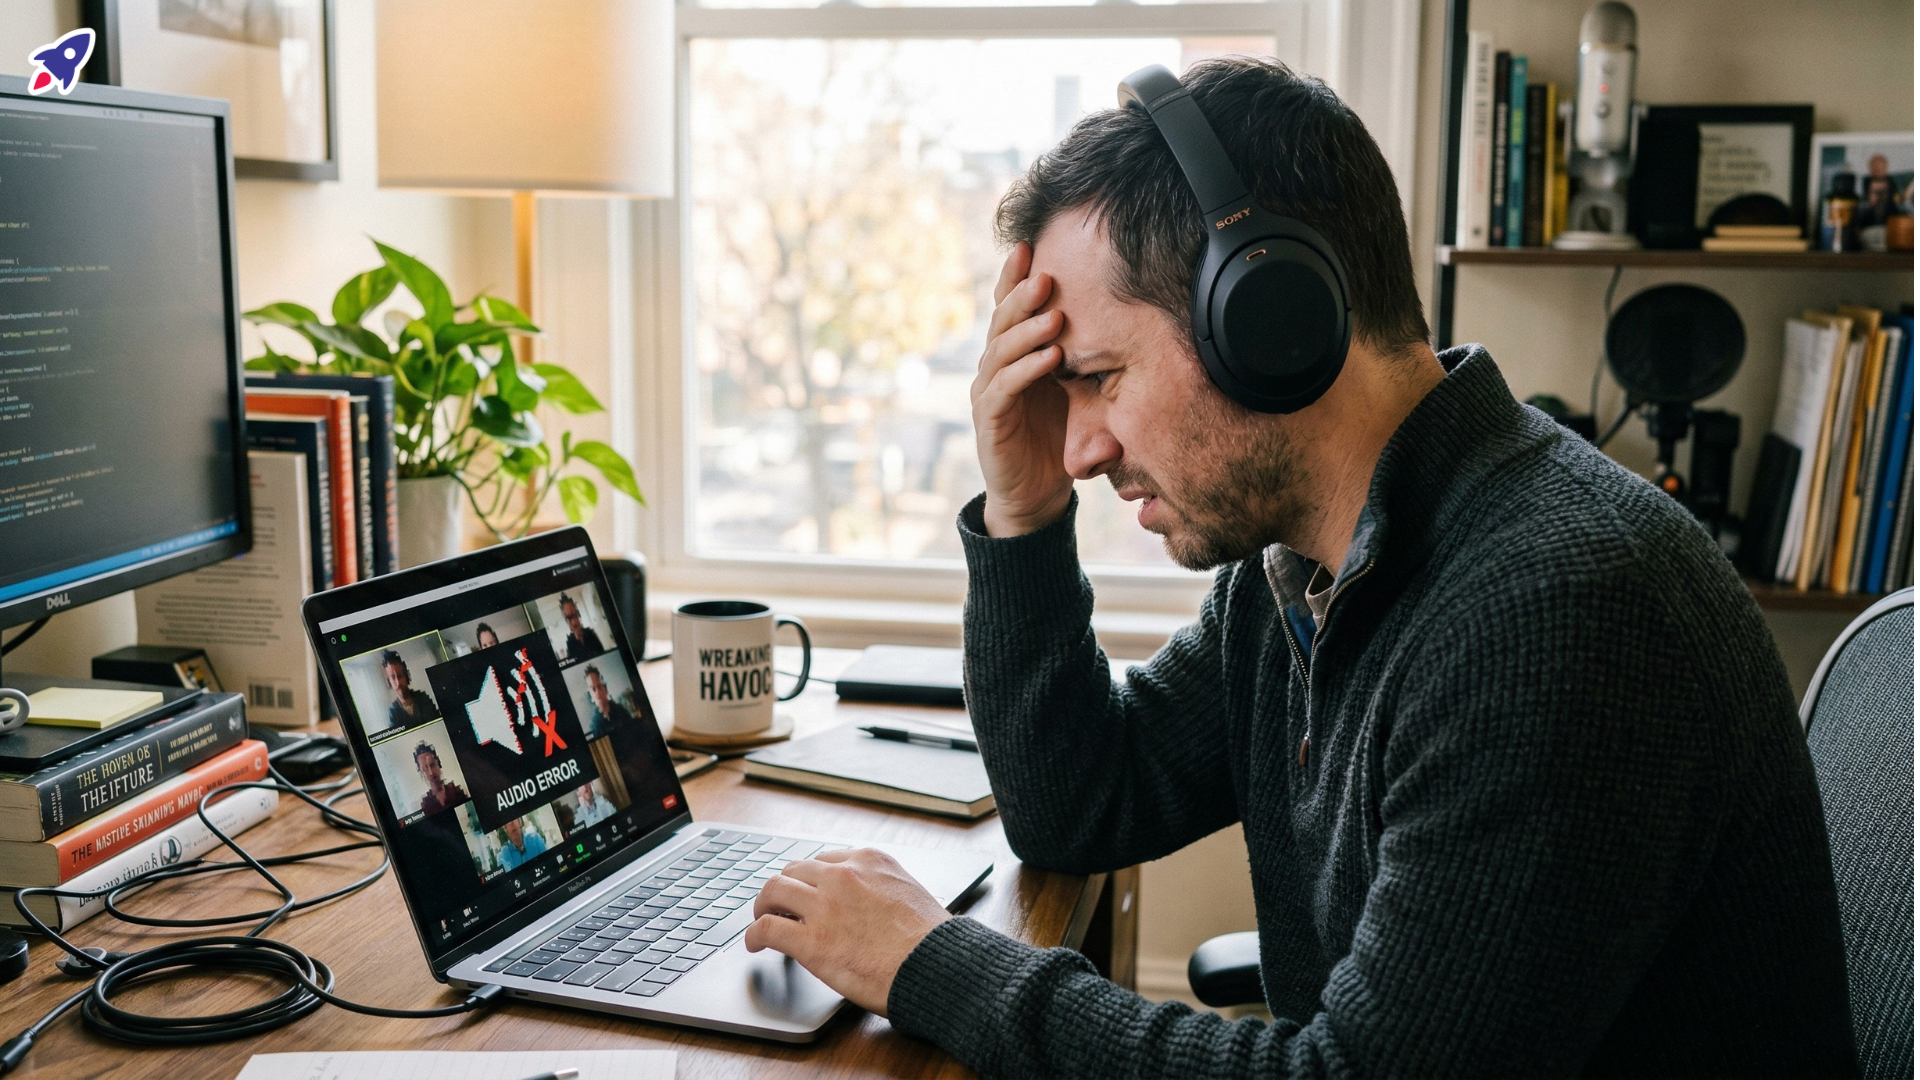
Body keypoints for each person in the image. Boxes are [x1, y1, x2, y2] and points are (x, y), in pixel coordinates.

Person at [739, 57, 1854, 1077]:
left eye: (1100, 378)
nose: (1078, 449)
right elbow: (1081, 804)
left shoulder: (1558, 613)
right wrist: (1023, 514)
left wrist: (934, 963)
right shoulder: (1302, 568)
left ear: (1266, 320)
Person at [380, 650, 440, 731]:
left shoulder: (423, 698)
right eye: (393, 678)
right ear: (389, 682)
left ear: (406, 676)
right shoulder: (393, 713)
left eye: (400, 676)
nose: (398, 683)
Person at [412, 742, 468, 817]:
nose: (431, 773)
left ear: (438, 764)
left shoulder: (456, 791)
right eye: (425, 769)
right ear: (421, 774)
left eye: (432, 765)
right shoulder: (425, 805)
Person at [582, 664, 634, 739]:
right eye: (593, 689)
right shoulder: (594, 726)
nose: (597, 692)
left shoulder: (621, 710)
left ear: (605, 689)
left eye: (599, 686)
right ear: (591, 697)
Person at [557, 594, 606, 663]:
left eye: (575, 615)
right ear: (566, 622)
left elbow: (603, 654)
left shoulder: (591, 633)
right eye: (569, 618)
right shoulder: (570, 644)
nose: (574, 622)